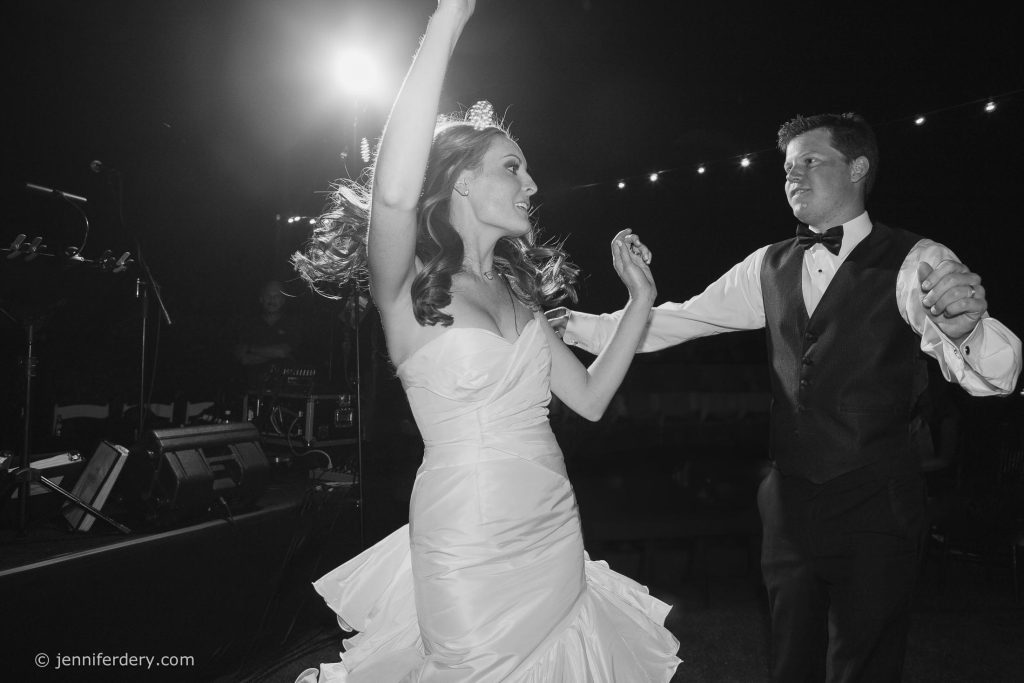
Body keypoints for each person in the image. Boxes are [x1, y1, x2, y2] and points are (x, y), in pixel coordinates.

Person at [555, 112, 1022, 681]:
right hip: (789, 503)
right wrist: (572, 326)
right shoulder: (768, 264)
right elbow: (678, 320)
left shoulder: (915, 259)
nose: (793, 175)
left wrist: (967, 330)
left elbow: (994, 376)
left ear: (857, 168)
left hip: (878, 500)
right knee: (789, 660)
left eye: (810, 160)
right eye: (786, 167)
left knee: (866, 661)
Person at [291, 2, 680, 681]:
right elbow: (391, 201)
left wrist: (640, 302)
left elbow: (587, 398)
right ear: (463, 182)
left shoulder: (520, 296)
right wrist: (448, 20)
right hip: (465, 536)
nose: (531, 184)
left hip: (553, 525)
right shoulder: (406, 286)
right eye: (513, 167)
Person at [233, 279, 305, 391]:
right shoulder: (248, 324)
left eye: (276, 296)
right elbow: (243, 358)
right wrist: (273, 354)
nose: (272, 300)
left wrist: (250, 348)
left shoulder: (292, 324)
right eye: (268, 296)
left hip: (285, 389)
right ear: (261, 299)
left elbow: (282, 351)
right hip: (251, 388)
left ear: (283, 300)